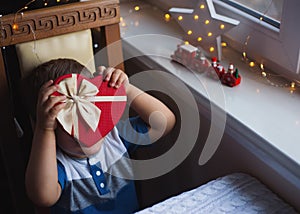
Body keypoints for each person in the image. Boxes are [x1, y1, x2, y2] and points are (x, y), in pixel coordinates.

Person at [25, 58, 176, 213]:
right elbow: (43, 196)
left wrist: (127, 90)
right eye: (69, 122)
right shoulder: (56, 164)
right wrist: (44, 129)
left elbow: (164, 123)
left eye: (88, 113)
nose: (83, 129)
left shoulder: (115, 137)